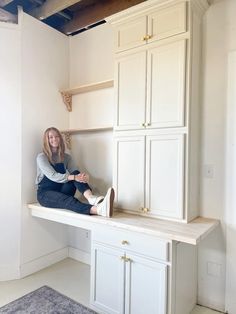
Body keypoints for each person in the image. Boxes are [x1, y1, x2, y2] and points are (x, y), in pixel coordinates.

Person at [36, 127, 114, 217]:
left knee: (76, 173)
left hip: (61, 190)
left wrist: (84, 177)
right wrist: (74, 177)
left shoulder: (66, 157)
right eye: (51, 137)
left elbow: (75, 173)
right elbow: (53, 175)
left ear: (60, 139)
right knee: (68, 200)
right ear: (47, 140)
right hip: (46, 194)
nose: (54, 139)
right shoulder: (41, 157)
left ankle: (91, 198)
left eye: (57, 136)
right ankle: (98, 210)